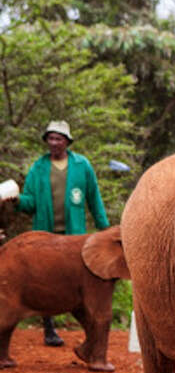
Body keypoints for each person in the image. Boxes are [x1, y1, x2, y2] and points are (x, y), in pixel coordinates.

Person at [17, 120, 110, 346]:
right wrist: (16, 201)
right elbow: (29, 203)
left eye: (59, 139)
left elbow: (93, 199)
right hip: (45, 235)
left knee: (75, 283)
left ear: (67, 142)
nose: (54, 143)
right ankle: (49, 329)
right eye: (51, 138)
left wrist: (106, 230)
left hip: (73, 237)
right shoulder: (39, 167)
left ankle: (89, 334)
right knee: (45, 281)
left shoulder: (82, 165)